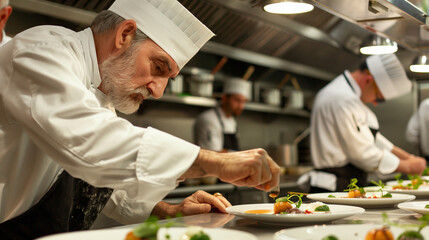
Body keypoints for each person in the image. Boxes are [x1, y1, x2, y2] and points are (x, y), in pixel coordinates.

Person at [0, 0, 280, 239]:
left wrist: (166, 210)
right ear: (125, 34)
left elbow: (97, 176)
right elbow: (90, 145)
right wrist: (214, 161)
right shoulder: (41, 50)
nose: (158, 91)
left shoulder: (101, 96)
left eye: (167, 79)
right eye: (158, 67)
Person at [307, 53, 426, 192]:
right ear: (369, 80)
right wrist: (407, 166)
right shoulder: (342, 99)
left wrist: (409, 158)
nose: (375, 103)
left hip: (345, 183)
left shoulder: (347, 96)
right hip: (334, 186)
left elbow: (374, 140)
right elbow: (362, 153)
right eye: (378, 97)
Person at [194, 78, 251, 152]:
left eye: (243, 102)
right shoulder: (208, 119)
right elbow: (213, 153)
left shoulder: (232, 120)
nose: (241, 106)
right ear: (224, 98)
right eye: (237, 100)